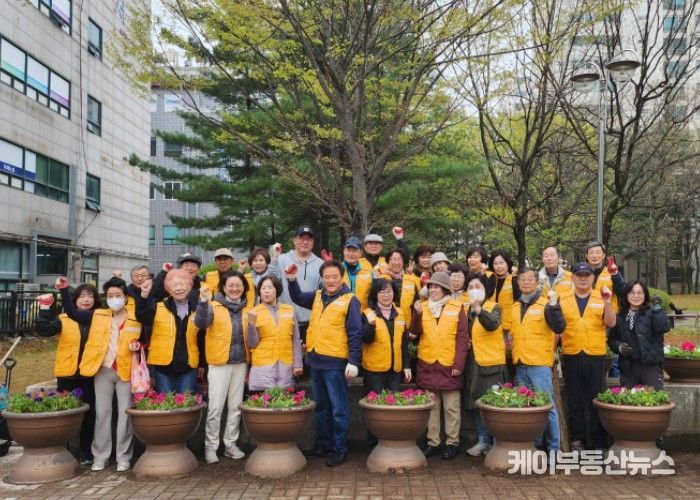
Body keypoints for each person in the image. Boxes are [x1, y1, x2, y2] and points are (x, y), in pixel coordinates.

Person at [54, 276, 142, 472]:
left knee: (125, 415)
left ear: (125, 297)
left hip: (126, 371)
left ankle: (123, 456)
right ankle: (100, 456)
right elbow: (72, 313)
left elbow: (145, 338)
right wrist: (64, 290)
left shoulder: (136, 317)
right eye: (110, 295)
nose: (114, 298)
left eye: (118, 295)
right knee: (102, 414)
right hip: (103, 371)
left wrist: (139, 345)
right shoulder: (98, 315)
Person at [287, 259, 362, 467]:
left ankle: (339, 448)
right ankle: (323, 444)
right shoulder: (318, 296)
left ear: (342, 277)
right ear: (322, 278)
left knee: (338, 409)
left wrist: (353, 361)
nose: (330, 280)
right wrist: (292, 280)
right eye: (326, 277)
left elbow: (355, 332)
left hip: (335, 363)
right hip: (315, 360)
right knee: (321, 406)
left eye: (334, 277)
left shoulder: (350, 300)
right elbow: (298, 297)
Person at [34, 284, 101, 466]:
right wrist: (45, 309)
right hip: (67, 375)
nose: (86, 299)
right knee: (64, 414)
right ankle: (63, 450)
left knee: (89, 415)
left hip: (91, 375)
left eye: (90, 296)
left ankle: (85, 452)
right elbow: (44, 330)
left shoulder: (100, 319)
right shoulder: (64, 319)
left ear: (95, 299)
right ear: (74, 300)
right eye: (82, 296)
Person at [410, 271, 469, 460]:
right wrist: (417, 314)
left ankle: (452, 443)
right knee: (432, 406)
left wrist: (459, 364)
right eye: (431, 287)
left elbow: (462, 339)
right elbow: (413, 334)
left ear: (445, 289)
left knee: (452, 407)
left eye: (437, 287)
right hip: (428, 362)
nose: (433, 290)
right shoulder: (422, 307)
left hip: (449, 364)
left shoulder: (457, 307)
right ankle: (433, 442)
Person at [194, 271, 251, 464]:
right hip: (219, 363)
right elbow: (201, 323)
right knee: (216, 407)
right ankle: (210, 447)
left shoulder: (248, 309)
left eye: (238, 285)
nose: (235, 288)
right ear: (223, 287)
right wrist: (203, 302)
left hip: (240, 362)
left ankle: (230, 444)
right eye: (230, 285)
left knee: (235, 407)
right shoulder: (213, 306)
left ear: (244, 288)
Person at [559, 262, 616, 451]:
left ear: (593, 277)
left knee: (596, 399)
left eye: (586, 275)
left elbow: (611, 322)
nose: (583, 279)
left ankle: (599, 441)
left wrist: (607, 302)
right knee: (574, 400)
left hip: (595, 355)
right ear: (573, 277)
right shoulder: (563, 298)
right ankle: (578, 439)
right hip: (572, 354)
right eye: (579, 275)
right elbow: (557, 328)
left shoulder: (602, 296)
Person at [511, 268, 566, 454]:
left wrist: (554, 306)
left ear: (537, 282)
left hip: (539, 364)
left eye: (530, 279)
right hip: (520, 363)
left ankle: (554, 449)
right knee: (527, 406)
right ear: (518, 283)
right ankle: (535, 445)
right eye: (522, 279)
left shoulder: (546, 305)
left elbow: (559, 327)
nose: (526, 282)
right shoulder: (515, 306)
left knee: (546, 406)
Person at [462, 273, 508, 457]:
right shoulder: (466, 310)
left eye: (478, 287)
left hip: (492, 363)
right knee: (474, 403)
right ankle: (483, 441)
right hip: (473, 363)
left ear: (485, 289)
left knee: (493, 404)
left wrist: (478, 308)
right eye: (470, 287)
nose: (474, 290)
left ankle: (497, 443)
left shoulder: (494, 307)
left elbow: (492, 324)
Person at [137, 269, 200, 393]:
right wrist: (144, 295)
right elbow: (142, 316)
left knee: (185, 402)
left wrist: (202, 364)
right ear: (169, 289)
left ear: (189, 287)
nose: (179, 288)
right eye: (174, 285)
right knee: (165, 402)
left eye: (182, 284)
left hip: (188, 367)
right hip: (163, 367)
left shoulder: (197, 310)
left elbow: (202, 338)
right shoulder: (158, 307)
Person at [608, 280, 670, 389]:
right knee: (628, 397)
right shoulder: (620, 316)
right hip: (628, 367)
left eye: (639, 293)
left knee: (653, 397)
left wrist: (657, 309)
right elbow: (612, 339)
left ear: (645, 295)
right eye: (632, 292)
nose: (636, 296)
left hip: (650, 366)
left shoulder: (652, 312)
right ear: (626, 295)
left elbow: (663, 327)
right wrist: (619, 347)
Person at [247, 275, 303, 391]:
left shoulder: (289, 310)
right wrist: (251, 324)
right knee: (265, 399)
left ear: (277, 290)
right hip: (263, 366)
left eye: (270, 287)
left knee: (285, 398)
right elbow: (252, 344)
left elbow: (296, 339)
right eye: (263, 288)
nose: (266, 291)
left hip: (285, 364)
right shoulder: (254, 312)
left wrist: (298, 364)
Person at [361, 278, 411, 394]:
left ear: (394, 293)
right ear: (375, 294)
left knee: (393, 403)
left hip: (395, 371)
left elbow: (404, 343)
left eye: (389, 291)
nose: (386, 295)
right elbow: (366, 340)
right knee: (374, 403)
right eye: (381, 292)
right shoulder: (368, 313)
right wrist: (371, 325)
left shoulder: (400, 313)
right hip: (374, 371)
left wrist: (406, 366)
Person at [278, 226, 323, 342]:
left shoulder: (320, 264)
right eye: (301, 238)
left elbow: (325, 292)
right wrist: (273, 257)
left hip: (310, 323)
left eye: (309, 239)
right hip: (285, 321)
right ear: (294, 240)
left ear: (313, 242)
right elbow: (268, 279)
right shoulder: (281, 260)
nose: (305, 242)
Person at [381, 248, 421, 326]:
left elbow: (417, 302)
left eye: (399, 259)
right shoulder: (381, 279)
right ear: (388, 262)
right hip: (387, 324)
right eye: (393, 259)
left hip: (408, 324)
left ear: (403, 262)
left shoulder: (412, 279)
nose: (396, 262)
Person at [585, 242, 625, 312]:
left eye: (598, 253)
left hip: (609, 314)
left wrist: (615, 275)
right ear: (587, 256)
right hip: (588, 315)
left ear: (603, 255)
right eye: (591, 253)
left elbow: (623, 292)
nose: (594, 256)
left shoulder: (612, 272)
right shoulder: (581, 274)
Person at [488, 250, 519, 336]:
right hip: (491, 325)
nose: (499, 266)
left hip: (510, 327)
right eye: (495, 263)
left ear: (507, 263)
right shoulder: (490, 280)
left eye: (501, 263)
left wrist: (514, 277)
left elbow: (519, 297)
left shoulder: (514, 279)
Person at [341, 236, 374, 310]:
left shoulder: (369, 272)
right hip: (341, 314)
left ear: (361, 253)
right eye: (348, 250)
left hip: (362, 314)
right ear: (344, 251)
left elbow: (375, 296)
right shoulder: (337, 270)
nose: (351, 254)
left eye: (354, 251)